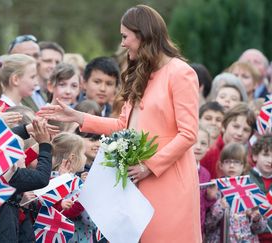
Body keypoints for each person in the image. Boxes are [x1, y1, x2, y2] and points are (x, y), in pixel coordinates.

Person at [38, 5, 201, 242]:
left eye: (125, 36)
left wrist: (150, 166)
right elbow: (123, 125)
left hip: (168, 180)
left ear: (142, 34)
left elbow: (188, 134)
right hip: (136, 181)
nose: (122, 43)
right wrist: (77, 116)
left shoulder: (180, 73)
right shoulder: (141, 74)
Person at [204, 143, 266, 242]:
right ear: (221, 165)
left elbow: (260, 229)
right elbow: (208, 225)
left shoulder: (250, 190)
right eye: (227, 161)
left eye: (236, 162)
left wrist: (256, 218)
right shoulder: (214, 189)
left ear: (244, 166)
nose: (232, 165)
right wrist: (220, 206)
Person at [200, 103, 256, 179]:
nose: (240, 133)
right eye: (236, 126)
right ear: (224, 125)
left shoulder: (252, 159)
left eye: (246, 130)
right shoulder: (208, 153)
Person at [22, 41, 65, 112]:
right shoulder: (23, 91)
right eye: (47, 61)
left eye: (58, 62)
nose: (53, 66)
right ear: (36, 61)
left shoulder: (57, 95)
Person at [249, 134, 272, 242]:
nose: (270, 160)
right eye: (266, 155)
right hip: (250, 237)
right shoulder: (246, 178)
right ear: (255, 156)